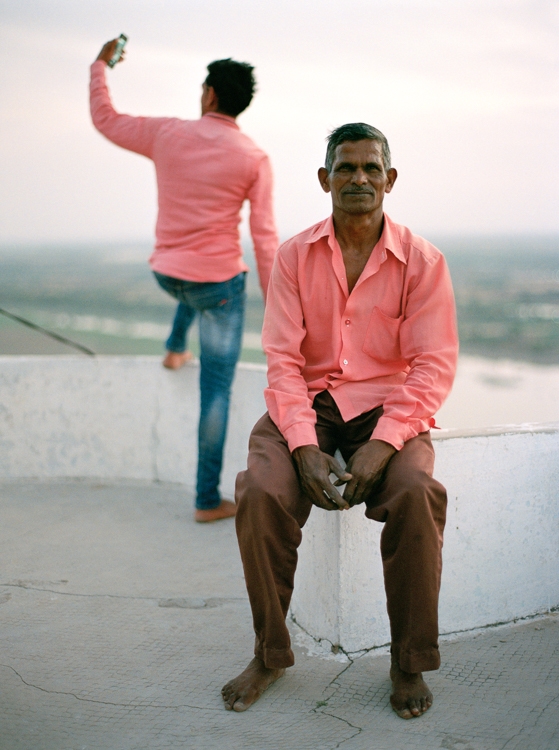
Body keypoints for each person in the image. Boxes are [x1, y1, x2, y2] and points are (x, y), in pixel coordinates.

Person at [222, 123, 459, 718]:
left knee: (416, 494)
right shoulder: (295, 256)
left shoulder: (423, 261)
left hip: (390, 408)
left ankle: (409, 660)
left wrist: (383, 444)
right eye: (346, 168)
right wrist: (302, 446)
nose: (359, 178)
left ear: (390, 179)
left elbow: (432, 367)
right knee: (260, 492)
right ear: (325, 179)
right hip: (308, 402)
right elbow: (281, 360)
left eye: (371, 168)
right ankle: (271, 653)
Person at [90, 40, 278, 522]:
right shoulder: (254, 158)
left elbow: (106, 119)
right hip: (215, 286)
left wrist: (100, 65)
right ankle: (205, 500)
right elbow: (263, 235)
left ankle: (175, 346)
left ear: (211, 95)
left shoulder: (167, 134)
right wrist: (279, 295)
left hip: (166, 274)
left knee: (192, 288)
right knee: (214, 391)